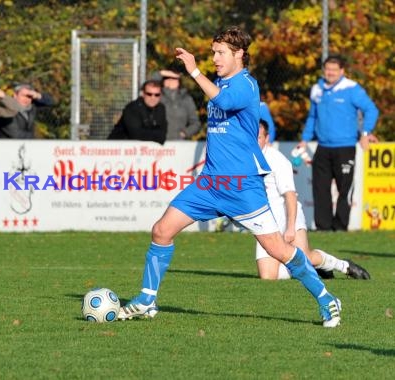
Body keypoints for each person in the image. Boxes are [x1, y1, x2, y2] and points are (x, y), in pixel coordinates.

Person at [117, 26, 342, 328]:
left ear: (239, 54)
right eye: (213, 52)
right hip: (210, 184)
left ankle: (327, 298)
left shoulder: (246, 85)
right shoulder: (221, 83)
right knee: (161, 231)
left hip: (242, 187)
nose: (215, 58)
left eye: (220, 52)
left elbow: (222, 102)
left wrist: (195, 72)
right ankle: (146, 300)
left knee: (279, 250)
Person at [255, 119, 370, 280]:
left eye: (258, 137)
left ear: (266, 138)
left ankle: (343, 265)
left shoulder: (277, 161)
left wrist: (290, 227)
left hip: (287, 213)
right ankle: (310, 270)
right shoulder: (245, 160)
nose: (254, 140)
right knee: (268, 277)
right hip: (266, 221)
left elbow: (290, 197)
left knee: (305, 258)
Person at [299, 54, 379, 231]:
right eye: (328, 69)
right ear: (324, 71)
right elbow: (312, 117)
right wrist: (305, 139)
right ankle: (323, 228)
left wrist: (365, 133)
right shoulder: (317, 90)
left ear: (342, 71)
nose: (331, 73)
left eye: (334, 70)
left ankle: (341, 227)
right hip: (322, 147)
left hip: (345, 147)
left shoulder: (352, 88)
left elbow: (371, 110)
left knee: (344, 189)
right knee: (320, 189)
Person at [107, 79, 167, 144]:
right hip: (117, 149)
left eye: (157, 95)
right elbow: (136, 134)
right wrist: (157, 135)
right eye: (149, 94)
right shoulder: (132, 108)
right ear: (143, 94)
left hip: (143, 150)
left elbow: (163, 133)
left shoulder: (161, 108)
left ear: (160, 96)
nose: (153, 97)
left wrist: (156, 135)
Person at [155, 69, 201, 140]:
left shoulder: (186, 99)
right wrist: (163, 73)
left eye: (174, 78)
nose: (170, 80)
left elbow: (195, 123)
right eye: (167, 78)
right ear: (163, 81)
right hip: (158, 143)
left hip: (178, 144)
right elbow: (149, 84)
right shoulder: (156, 96)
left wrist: (184, 133)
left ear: (179, 81)